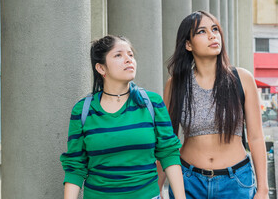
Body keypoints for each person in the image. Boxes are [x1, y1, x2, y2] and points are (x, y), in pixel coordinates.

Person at [158, 11, 269, 199]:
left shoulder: (241, 79)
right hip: (189, 182)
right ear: (188, 44)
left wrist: (263, 189)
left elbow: (256, 137)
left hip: (236, 182)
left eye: (215, 29)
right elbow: (167, 141)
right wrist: (157, 188)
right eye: (202, 31)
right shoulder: (175, 84)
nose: (212, 35)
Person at [61, 35, 186, 199]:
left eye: (130, 55)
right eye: (118, 55)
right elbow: (75, 166)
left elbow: (169, 153)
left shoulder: (152, 103)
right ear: (101, 68)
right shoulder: (83, 110)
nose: (128, 59)